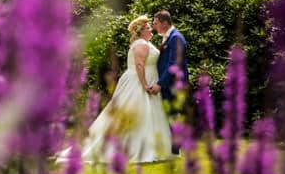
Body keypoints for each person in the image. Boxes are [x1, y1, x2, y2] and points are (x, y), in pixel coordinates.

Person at [57, 15, 173, 164]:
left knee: (147, 113)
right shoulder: (141, 44)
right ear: (141, 31)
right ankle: (132, 147)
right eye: (148, 28)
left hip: (147, 79)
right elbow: (139, 65)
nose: (151, 30)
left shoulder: (144, 43)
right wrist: (144, 84)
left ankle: (153, 146)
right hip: (139, 82)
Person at [148, 10, 189, 155]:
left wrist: (160, 84)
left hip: (173, 85)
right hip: (168, 84)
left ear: (165, 23)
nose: (154, 26)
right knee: (169, 115)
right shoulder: (168, 37)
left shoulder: (176, 38)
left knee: (173, 115)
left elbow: (174, 65)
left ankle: (175, 150)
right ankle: (173, 149)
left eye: (156, 23)